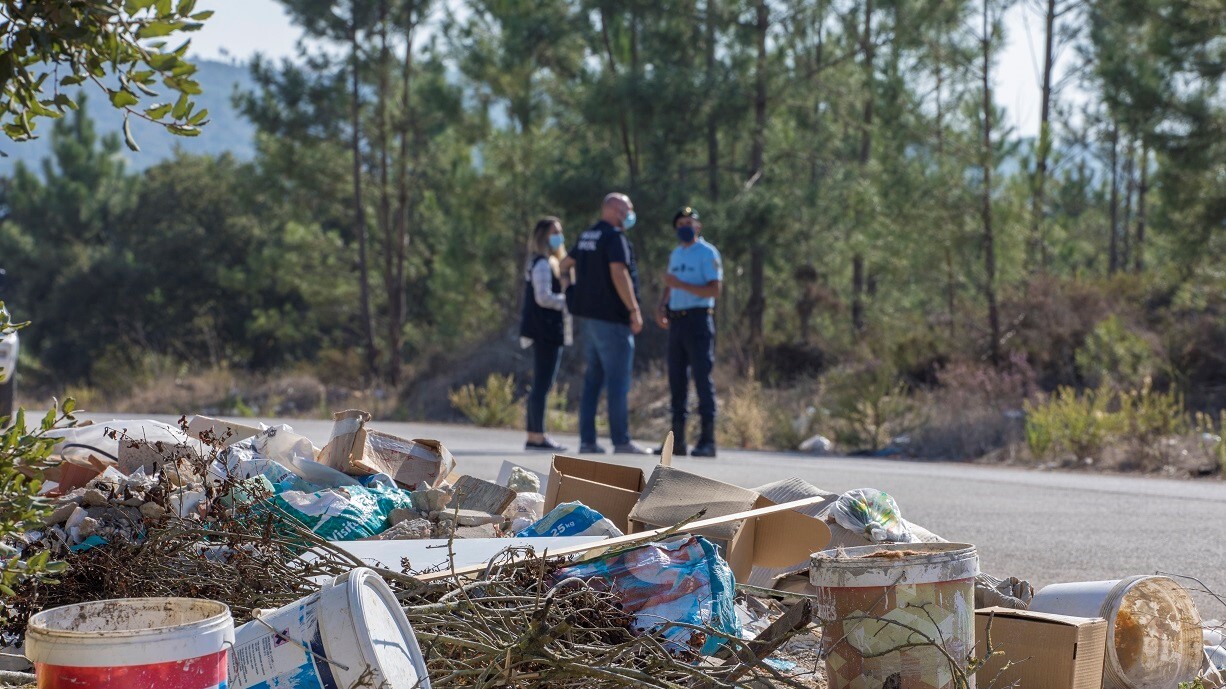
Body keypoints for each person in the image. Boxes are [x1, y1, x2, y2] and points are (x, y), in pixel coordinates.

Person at [560, 193, 650, 454]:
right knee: (618, 381)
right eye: (628, 208)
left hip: (589, 320)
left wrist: (570, 291)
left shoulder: (588, 235)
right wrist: (634, 310)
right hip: (612, 321)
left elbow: (565, 264)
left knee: (593, 380)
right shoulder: (614, 237)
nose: (630, 213)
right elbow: (619, 273)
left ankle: (587, 440)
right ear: (614, 209)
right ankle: (621, 440)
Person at [654, 207, 722, 457]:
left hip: (698, 320)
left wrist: (680, 284)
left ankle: (707, 440)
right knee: (676, 381)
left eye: (689, 222)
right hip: (677, 322)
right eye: (680, 223)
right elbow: (670, 285)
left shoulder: (707, 253)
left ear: (698, 226)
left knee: (702, 378)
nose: (685, 226)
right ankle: (677, 442)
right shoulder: (676, 253)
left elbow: (714, 290)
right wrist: (662, 305)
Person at [520, 217, 573, 452]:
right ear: (543, 235)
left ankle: (535, 434)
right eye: (554, 232)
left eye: (560, 232)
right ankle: (537, 436)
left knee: (542, 383)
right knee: (542, 383)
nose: (559, 236)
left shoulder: (549, 262)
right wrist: (568, 300)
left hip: (547, 331)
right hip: (545, 331)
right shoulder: (542, 263)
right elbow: (543, 297)